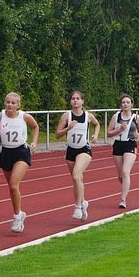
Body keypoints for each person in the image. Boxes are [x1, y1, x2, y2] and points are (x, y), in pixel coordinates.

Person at [0, 92, 40, 233]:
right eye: (8, 102)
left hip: (21, 152)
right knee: (12, 188)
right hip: (6, 153)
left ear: (18, 105)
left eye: (13, 103)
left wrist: (34, 142)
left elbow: (35, 127)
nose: (10, 105)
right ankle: (20, 213)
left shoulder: (24, 116)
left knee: (13, 184)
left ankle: (16, 217)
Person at [55, 91, 101, 221]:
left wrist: (95, 135)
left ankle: (77, 206)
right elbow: (57, 135)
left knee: (76, 175)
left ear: (82, 101)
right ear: (70, 101)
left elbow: (97, 124)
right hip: (70, 150)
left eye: (78, 99)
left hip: (84, 150)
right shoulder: (66, 116)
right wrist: (67, 129)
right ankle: (83, 203)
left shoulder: (88, 116)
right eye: (73, 99)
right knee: (76, 180)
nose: (75, 101)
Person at [107, 94, 139, 208]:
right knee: (120, 176)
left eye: (128, 102)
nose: (125, 104)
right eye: (123, 102)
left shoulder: (136, 117)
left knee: (125, 172)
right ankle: (126, 187)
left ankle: (122, 199)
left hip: (130, 144)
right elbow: (108, 133)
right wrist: (120, 129)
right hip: (118, 145)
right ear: (121, 104)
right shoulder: (116, 116)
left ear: (132, 104)